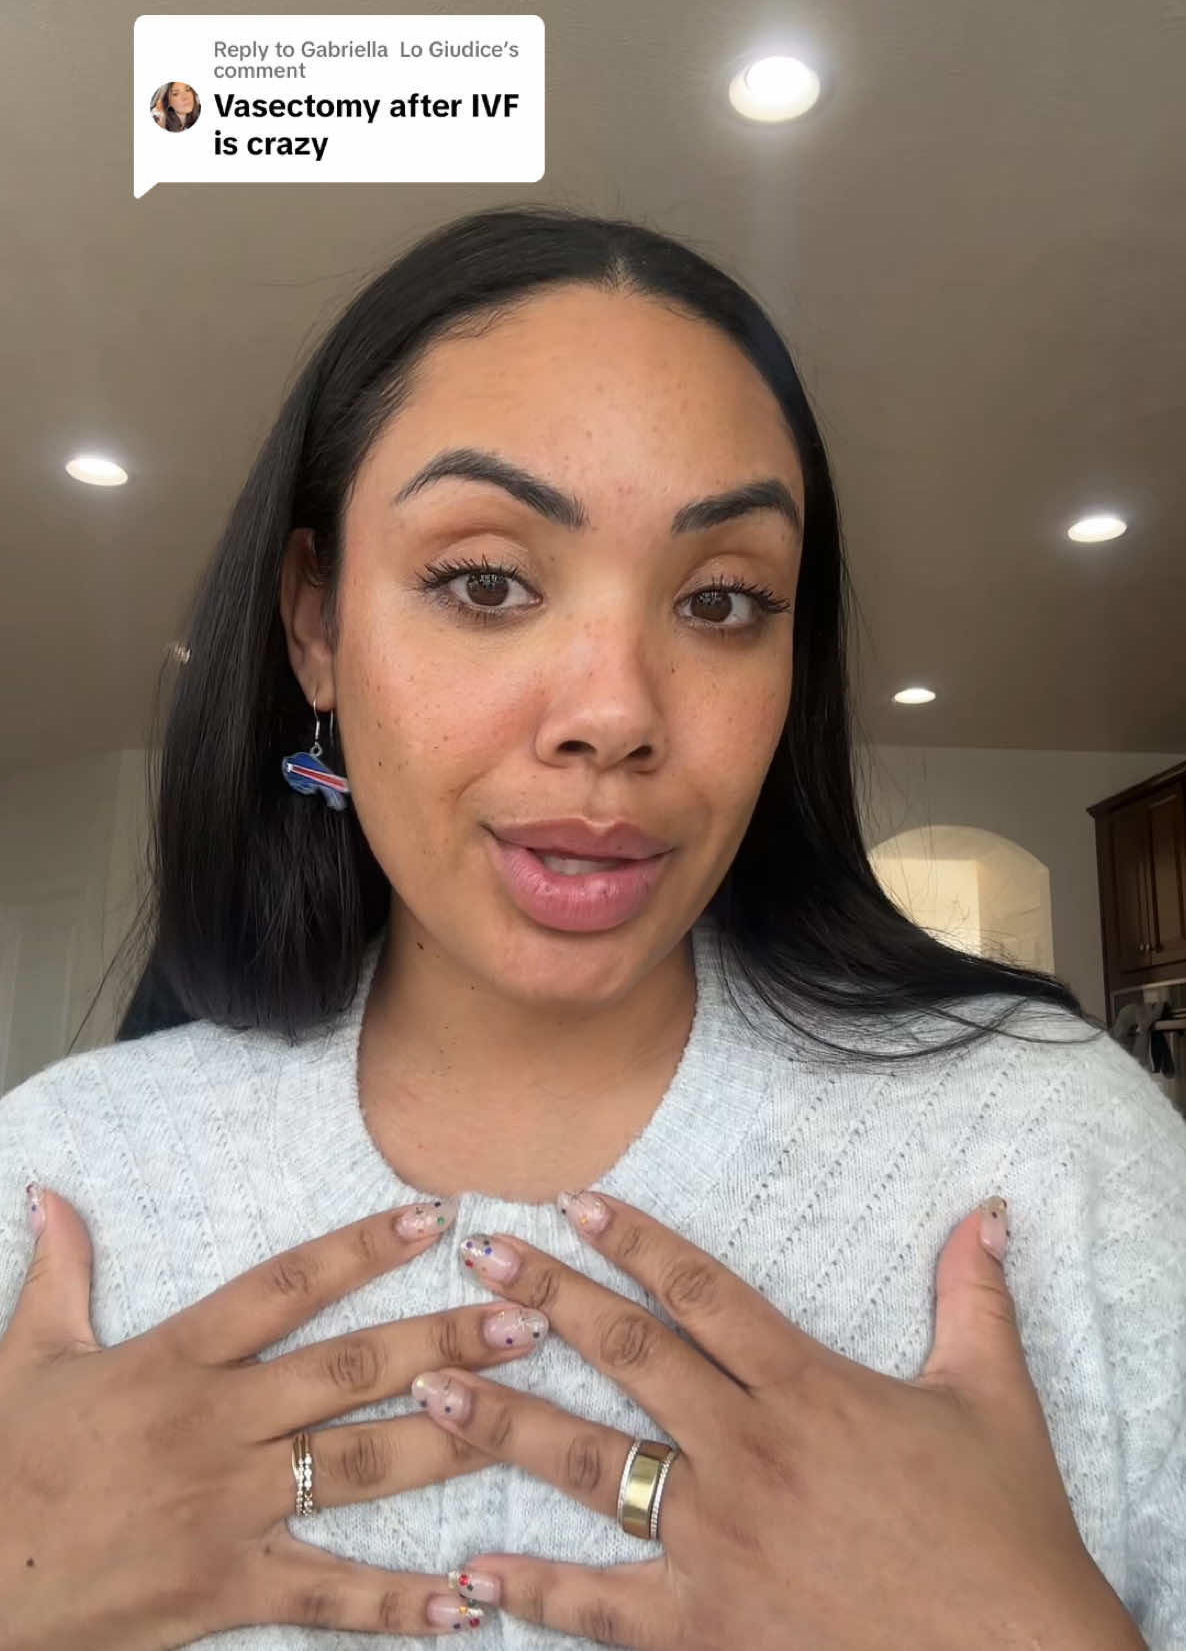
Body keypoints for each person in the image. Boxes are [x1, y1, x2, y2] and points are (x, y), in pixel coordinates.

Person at [0, 204, 1181, 1650]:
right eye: (484, 581)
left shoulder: (1050, 1153)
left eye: (723, 599)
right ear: (315, 623)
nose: (616, 713)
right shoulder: (57, 1181)